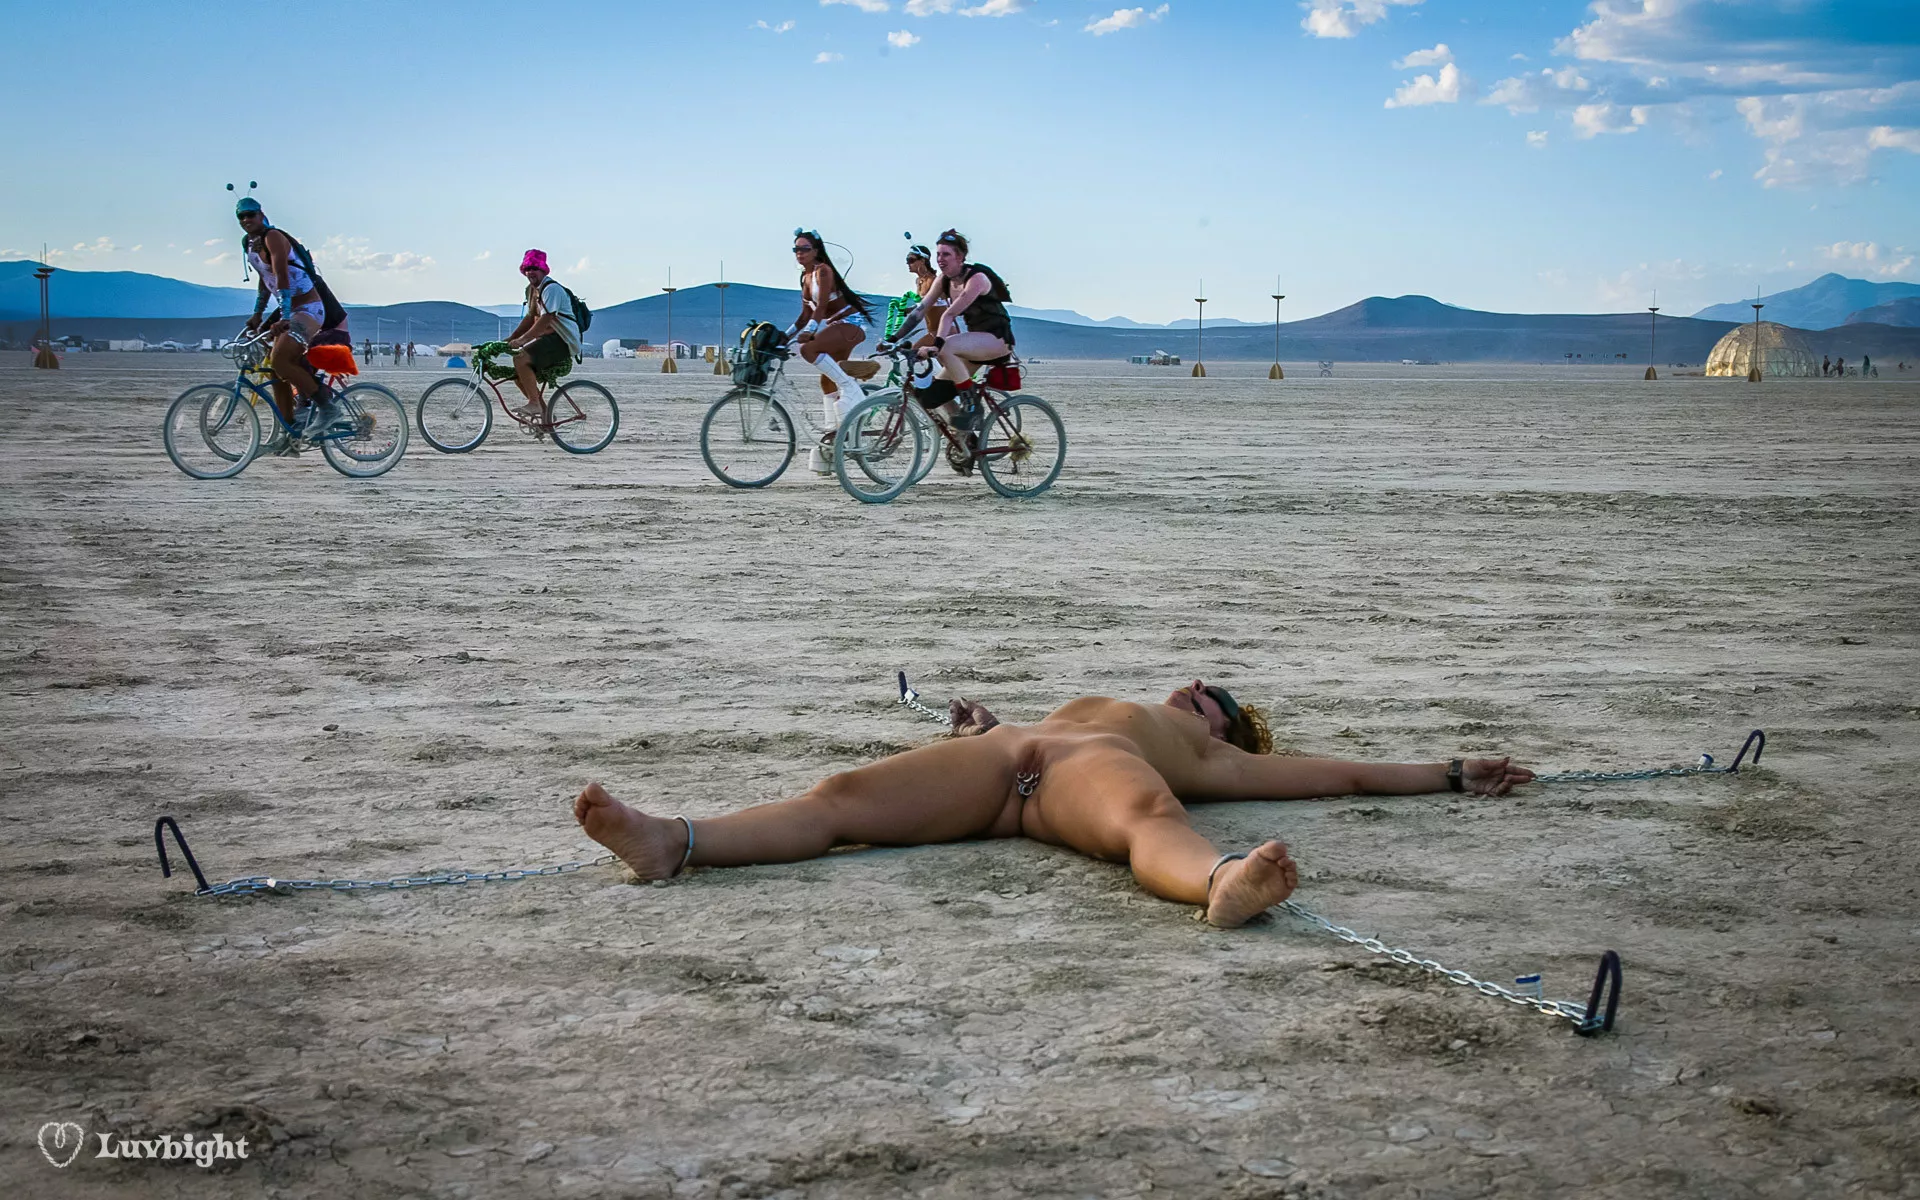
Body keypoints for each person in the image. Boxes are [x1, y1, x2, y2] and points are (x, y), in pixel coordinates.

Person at [573, 680, 1533, 928]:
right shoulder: (1113, 707)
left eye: (1212, 697)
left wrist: (1451, 772)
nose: (1194, 689)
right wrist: (984, 721)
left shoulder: (1206, 752)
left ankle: (1221, 882)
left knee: (1150, 828)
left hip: (1080, 777)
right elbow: (1020, 730)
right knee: (839, 802)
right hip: (1004, 761)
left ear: (1225, 728)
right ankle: (674, 841)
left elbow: (1347, 774)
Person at [236, 197, 350, 445]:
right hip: (291, 309)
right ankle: (291, 429)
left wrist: (284, 317)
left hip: (308, 308)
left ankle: (327, 407)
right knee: (273, 368)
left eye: (250, 215)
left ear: (260, 214)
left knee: (280, 359)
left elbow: (281, 276)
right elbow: (265, 280)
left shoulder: (273, 237)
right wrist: (257, 315)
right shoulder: (249, 244)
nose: (246, 220)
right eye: (241, 217)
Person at [787, 230, 877, 474]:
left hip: (850, 325)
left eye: (804, 248)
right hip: (835, 326)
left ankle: (851, 388)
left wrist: (811, 331)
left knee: (809, 349)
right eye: (796, 249)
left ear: (816, 250)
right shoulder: (805, 278)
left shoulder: (823, 271)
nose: (799, 253)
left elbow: (822, 307)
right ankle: (833, 434)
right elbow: (805, 314)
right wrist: (784, 337)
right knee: (826, 381)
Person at [502, 250, 582, 424]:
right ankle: (546, 419)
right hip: (549, 338)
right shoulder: (531, 290)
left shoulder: (551, 289)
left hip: (563, 340)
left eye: (534, 268)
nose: (531, 272)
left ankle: (534, 403)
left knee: (521, 358)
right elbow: (530, 317)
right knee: (518, 375)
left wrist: (522, 341)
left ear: (543, 270)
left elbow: (546, 319)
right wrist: (510, 338)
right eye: (527, 268)